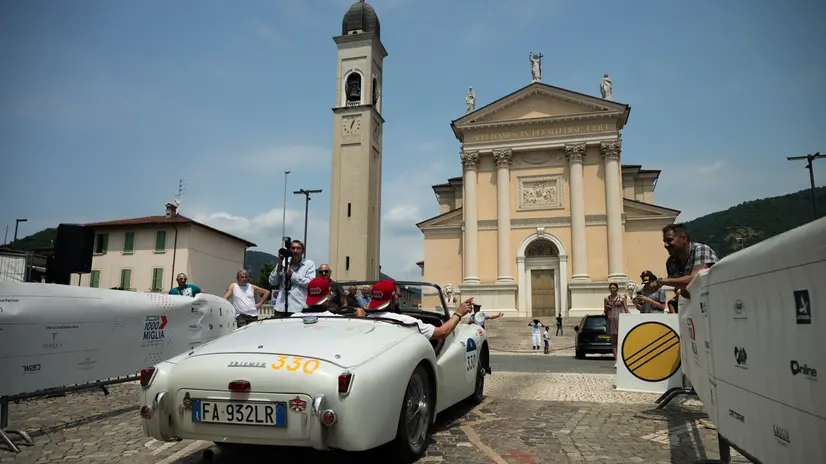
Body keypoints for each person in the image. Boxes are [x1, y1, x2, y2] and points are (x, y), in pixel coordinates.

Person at [364, 280, 472, 340]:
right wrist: (459, 313)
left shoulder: (365, 319)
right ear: (393, 298)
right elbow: (441, 332)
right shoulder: (406, 321)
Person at [651, 223, 719, 303]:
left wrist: (661, 281)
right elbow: (680, 288)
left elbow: (696, 279)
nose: (665, 245)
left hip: (716, 299)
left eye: (669, 240)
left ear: (683, 238)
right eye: (664, 241)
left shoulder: (701, 249)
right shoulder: (670, 262)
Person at [269, 239, 316, 316]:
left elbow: (310, 284)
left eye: (298, 248)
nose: (295, 251)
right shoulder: (284, 262)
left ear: (303, 251)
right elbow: (272, 282)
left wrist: (293, 276)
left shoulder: (309, 264)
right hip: (281, 307)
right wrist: (279, 266)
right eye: (293, 248)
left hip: (298, 307)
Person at [604, 282, 629, 365]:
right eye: (611, 288)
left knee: (620, 340)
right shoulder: (606, 299)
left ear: (617, 289)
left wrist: (630, 317)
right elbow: (605, 311)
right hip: (611, 320)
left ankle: (622, 359)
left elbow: (626, 309)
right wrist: (607, 308)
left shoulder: (621, 298)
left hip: (620, 320)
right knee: (613, 341)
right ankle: (617, 360)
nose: (612, 289)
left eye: (614, 288)